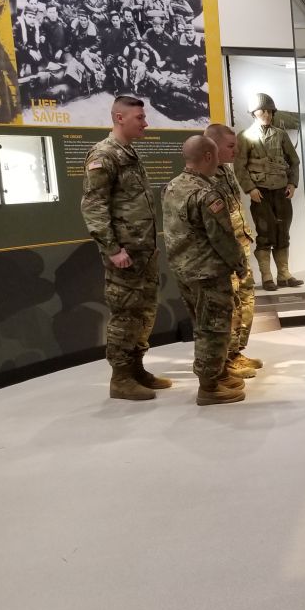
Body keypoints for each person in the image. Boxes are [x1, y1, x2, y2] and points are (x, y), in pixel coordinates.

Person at [80, 96, 172, 400]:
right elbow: (94, 206)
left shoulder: (129, 154)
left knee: (144, 312)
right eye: (139, 118)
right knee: (124, 314)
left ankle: (136, 369)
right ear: (119, 118)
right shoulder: (104, 155)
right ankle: (120, 378)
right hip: (125, 255)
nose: (145, 123)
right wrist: (112, 248)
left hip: (143, 252)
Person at [163, 136, 249, 405]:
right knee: (214, 328)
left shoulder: (173, 186)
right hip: (208, 272)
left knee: (202, 324)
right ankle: (209, 386)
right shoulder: (207, 193)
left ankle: (219, 373)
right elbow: (222, 237)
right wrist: (239, 264)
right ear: (209, 157)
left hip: (184, 270)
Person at [205, 122, 263, 376]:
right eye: (230, 146)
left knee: (245, 299)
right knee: (230, 304)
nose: (235, 152)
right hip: (224, 252)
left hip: (240, 246)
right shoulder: (203, 177)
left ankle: (237, 351)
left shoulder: (227, 171)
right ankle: (225, 359)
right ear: (213, 146)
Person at [234, 92, 302, 290]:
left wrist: (292, 184)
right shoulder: (245, 136)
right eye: (263, 111)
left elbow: (294, 162)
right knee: (265, 233)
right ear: (254, 113)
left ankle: (284, 274)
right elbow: (239, 167)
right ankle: (266, 276)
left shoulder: (280, 135)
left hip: (281, 191)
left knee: (283, 232)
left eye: (270, 111)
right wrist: (251, 189)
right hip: (261, 193)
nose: (267, 115)